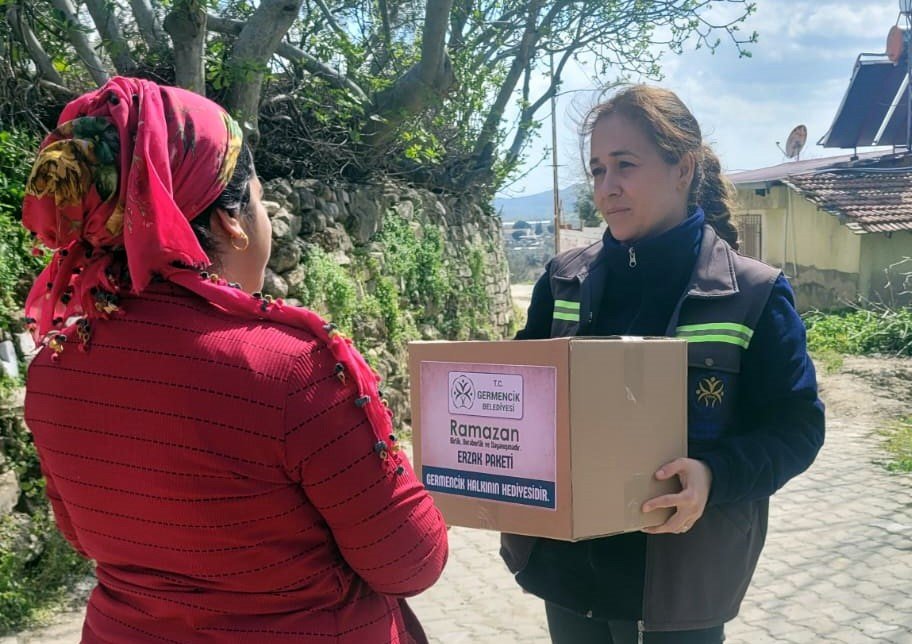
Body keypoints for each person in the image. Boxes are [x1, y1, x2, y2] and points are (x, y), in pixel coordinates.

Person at [21, 76, 447, 643]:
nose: (266, 215)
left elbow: (81, 534)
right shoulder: (290, 369)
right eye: (259, 199)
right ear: (230, 221)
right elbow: (410, 561)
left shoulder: (55, 369)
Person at [500, 85, 825, 643]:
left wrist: (713, 476)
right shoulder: (562, 281)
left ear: (683, 168)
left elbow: (797, 427)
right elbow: (526, 402)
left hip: (680, 583)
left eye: (624, 165)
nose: (607, 188)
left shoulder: (752, 294)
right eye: (598, 169)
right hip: (567, 571)